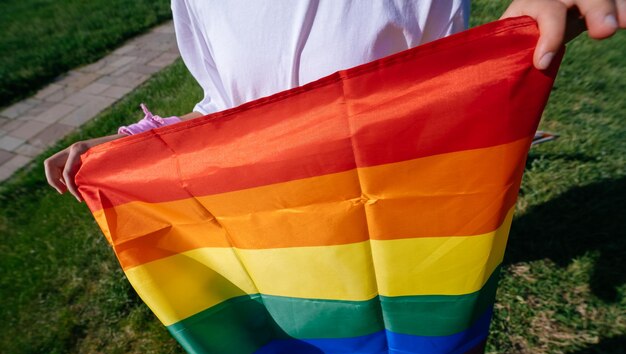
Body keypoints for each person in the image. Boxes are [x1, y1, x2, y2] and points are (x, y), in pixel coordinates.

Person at [44, 0, 624, 197]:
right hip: (283, 203)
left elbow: (451, 83)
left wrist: (525, 32)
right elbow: (224, 103)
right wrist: (133, 150)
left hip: (400, 183)